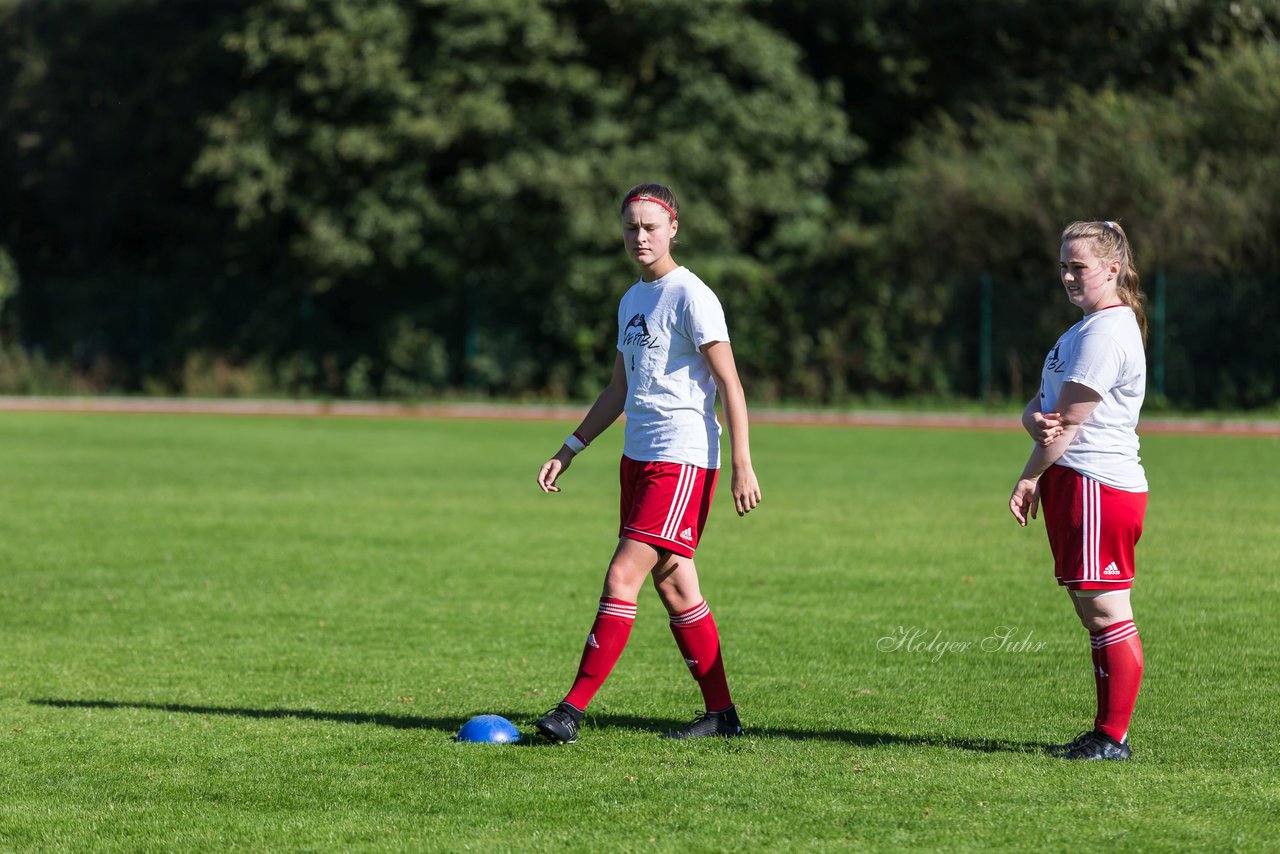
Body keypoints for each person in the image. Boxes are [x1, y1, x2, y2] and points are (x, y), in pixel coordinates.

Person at [532, 182, 762, 744]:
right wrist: (570, 448)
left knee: (622, 574)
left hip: (681, 459)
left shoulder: (692, 295)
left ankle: (570, 711)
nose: (640, 235)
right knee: (676, 586)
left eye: (650, 226)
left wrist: (742, 463)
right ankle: (722, 716)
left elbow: (731, 384)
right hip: (638, 457)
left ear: (673, 227)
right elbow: (619, 389)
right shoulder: (632, 299)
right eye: (631, 226)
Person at [1009, 220, 1149, 761]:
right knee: (1095, 610)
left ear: (1112, 269)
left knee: (1107, 610)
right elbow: (1037, 410)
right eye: (1063, 265)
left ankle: (1111, 738)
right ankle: (1106, 734)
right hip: (1079, 480)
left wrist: (1029, 476)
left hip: (1096, 482)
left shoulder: (1105, 331)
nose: (1068, 275)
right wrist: (1037, 429)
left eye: (1079, 266)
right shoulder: (1082, 330)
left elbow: (1064, 422)